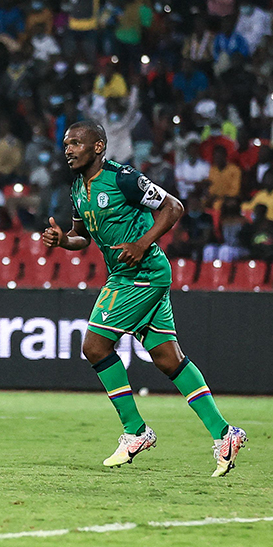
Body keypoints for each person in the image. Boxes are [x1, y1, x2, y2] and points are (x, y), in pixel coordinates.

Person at [42, 121, 246, 476]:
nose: (68, 150)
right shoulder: (77, 188)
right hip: (127, 275)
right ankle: (225, 433)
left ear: (98, 146)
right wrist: (63, 241)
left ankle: (136, 431)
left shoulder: (123, 178)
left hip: (142, 273)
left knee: (95, 346)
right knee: (168, 359)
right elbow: (81, 236)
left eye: (75, 143)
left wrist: (141, 243)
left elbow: (173, 207)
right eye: (66, 144)